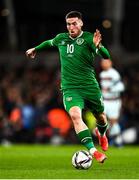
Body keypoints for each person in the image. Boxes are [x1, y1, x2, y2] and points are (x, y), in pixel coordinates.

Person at [26, 11, 111, 163]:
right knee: (75, 116)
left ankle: (102, 134)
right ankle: (93, 151)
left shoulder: (89, 38)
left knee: (101, 117)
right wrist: (35, 48)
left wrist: (99, 47)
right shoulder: (61, 38)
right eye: (68, 24)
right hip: (70, 88)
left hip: (90, 86)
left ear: (81, 23)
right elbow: (49, 42)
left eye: (74, 23)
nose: (71, 27)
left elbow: (106, 56)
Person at [99, 58, 125, 147]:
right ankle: (110, 138)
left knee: (113, 121)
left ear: (110, 63)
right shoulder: (102, 74)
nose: (103, 64)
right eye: (102, 62)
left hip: (114, 101)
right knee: (103, 120)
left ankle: (118, 140)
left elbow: (121, 87)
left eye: (105, 62)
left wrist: (110, 89)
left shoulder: (114, 73)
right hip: (105, 100)